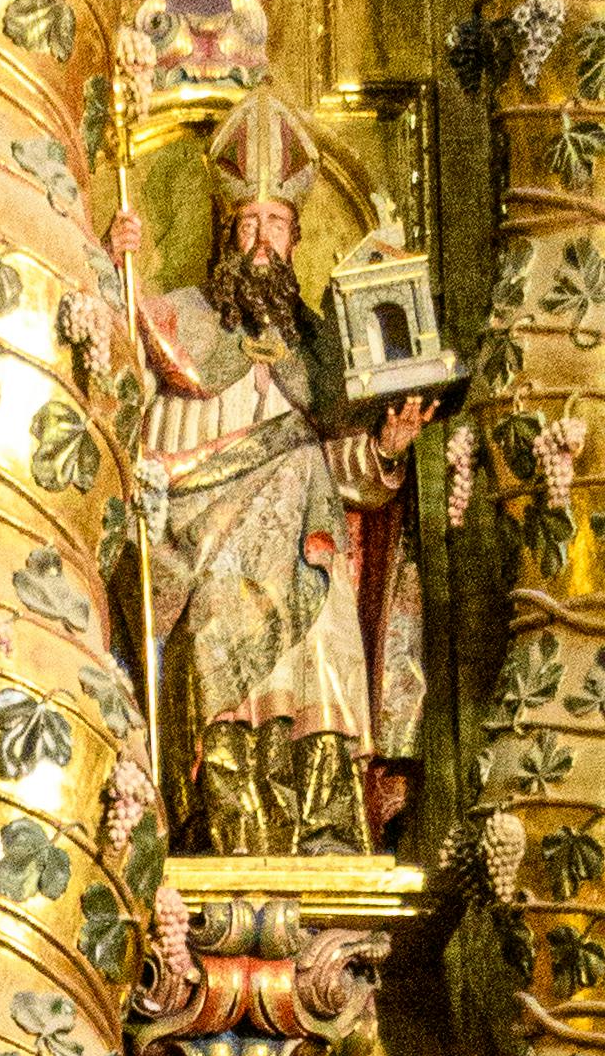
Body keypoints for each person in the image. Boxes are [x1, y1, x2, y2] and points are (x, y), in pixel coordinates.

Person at [123, 90, 438, 854]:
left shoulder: (319, 347)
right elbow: (127, 408)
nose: (262, 242)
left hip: (308, 551)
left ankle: (324, 829)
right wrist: (116, 268)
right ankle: (219, 825)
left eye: (278, 225)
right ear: (227, 231)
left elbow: (340, 468)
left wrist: (386, 449)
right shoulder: (183, 325)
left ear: (296, 239)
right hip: (210, 555)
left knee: (323, 665)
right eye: (249, 223)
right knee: (219, 662)